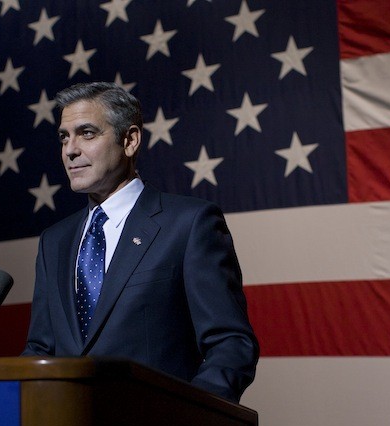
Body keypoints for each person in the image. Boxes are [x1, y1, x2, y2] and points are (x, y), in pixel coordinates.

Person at [22, 81, 259, 403]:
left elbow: (230, 343)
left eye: (87, 133)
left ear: (130, 140)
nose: (70, 150)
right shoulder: (55, 241)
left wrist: (189, 415)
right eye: (64, 137)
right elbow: (41, 348)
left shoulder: (188, 224)